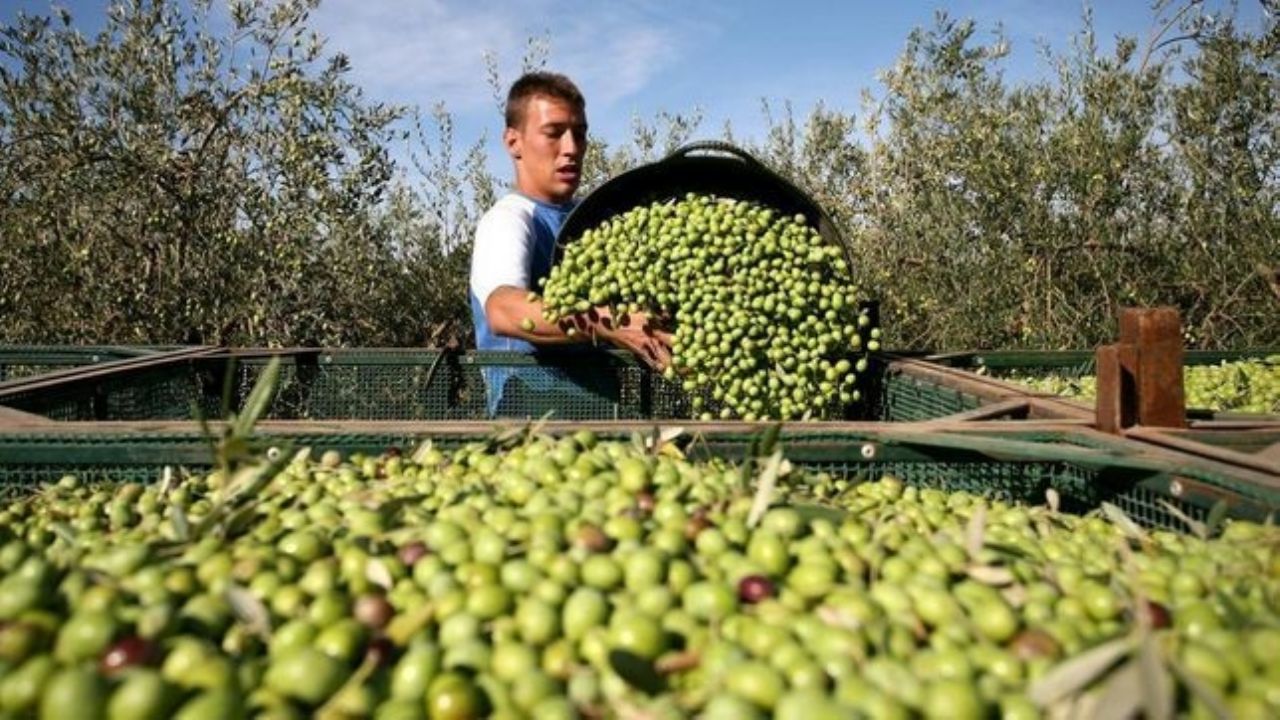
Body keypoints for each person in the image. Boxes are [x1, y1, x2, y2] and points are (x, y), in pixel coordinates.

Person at [469, 71, 671, 415]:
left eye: (579, 135)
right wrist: (612, 323)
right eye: (554, 133)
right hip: (527, 424)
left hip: (601, 424)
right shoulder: (510, 219)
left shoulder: (591, 220)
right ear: (513, 142)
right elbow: (504, 311)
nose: (571, 149)